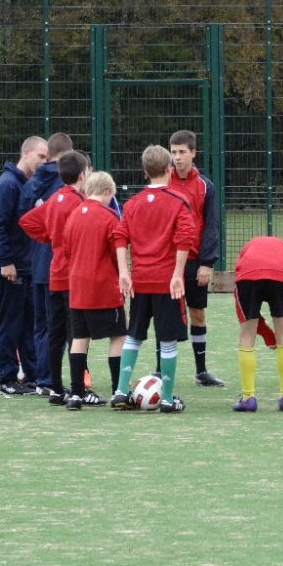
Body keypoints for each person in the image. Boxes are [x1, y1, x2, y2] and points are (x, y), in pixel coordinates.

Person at [110, 145, 197, 412]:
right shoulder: (178, 201)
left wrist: (124, 272)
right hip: (166, 283)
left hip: (140, 280)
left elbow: (119, 236)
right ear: (169, 169)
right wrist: (178, 275)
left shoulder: (132, 204)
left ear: (145, 172)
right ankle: (168, 399)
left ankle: (120, 391)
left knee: (133, 336)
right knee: (167, 340)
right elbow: (185, 239)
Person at [19, 150, 96, 405]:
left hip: (54, 274)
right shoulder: (81, 202)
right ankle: (78, 390)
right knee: (77, 333)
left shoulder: (55, 199)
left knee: (55, 332)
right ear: (83, 175)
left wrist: (49, 237)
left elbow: (27, 221)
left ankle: (54, 389)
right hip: (74, 276)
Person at [0, 136, 49, 396]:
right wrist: (5, 262)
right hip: (10, 268)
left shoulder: (28, 185)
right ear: (26, 152)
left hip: (27, 266)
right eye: (40, 156)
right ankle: (7, 378)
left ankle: (32, 376)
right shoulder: (7, 185)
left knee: (29, 325)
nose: (44, 162)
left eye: (47, 158)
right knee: (9, 324)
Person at [61, 171, 129, 411]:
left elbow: (66, 250)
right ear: (107, 191)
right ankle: (119, 390)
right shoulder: (109, 216)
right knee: (118, 336)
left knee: (79, 339)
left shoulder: (73, 215)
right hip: (103, 286)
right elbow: (116, 250)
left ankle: (76, 394)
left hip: (77, 287)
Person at [166, 129, 225, 387]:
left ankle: (201, 372)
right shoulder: (163, 181)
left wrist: (206, 262)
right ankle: (160, 370)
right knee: (166, 315)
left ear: (193, 153)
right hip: (168, 263)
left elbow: (211, 226)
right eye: (173, 152)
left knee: (197, 313)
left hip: (194, 263)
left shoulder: (205, 186)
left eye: (182, 152)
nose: (177, 157)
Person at [231, 236, 283, 412]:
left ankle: (248, 398)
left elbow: (242, 309)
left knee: (246, 334)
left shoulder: (246, 250)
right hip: (282, 276)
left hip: (248, 276)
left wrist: (267, 334)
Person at [18, 132, 74, 396]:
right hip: (60, 264)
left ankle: (41, 378)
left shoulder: (31, 183)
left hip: (37, 262)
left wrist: (42, 237)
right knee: (60, 326)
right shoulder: (66, 182)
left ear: (48, 154)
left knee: (41, 326)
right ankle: (51, 379)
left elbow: (25, 217)